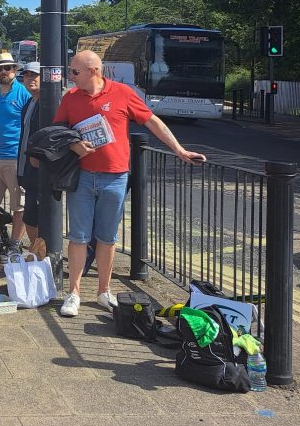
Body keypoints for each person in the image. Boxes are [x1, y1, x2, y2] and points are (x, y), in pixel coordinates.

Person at [56, 50, 207, 317]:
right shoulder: (70, 97)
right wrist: (74, 144)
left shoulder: (122, 93)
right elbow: (57, 133)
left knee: (107, 238)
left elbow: (152, 122)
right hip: (81, 176)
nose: (71, 76)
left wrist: (179, 150)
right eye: (70, 71)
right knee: (78, 237)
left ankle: (104, 291)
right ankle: (74, 293)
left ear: (94, 71)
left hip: (115, 176)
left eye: (75, 72)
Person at [0, 52, 31, 260]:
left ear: (15, 69)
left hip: (15, 156)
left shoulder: (23, 93)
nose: (3, 72)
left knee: (18, 205)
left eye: (7, 68)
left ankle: (15, 244)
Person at [15, 62, 42, 244]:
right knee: (30, 216)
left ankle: (41, 254)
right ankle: (38, 253)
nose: (30, 78)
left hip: (40, 170)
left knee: (32, 216)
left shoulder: (48, 103)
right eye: (27, 75)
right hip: (27, 169)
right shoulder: (29, 102)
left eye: (34, 75)